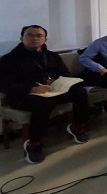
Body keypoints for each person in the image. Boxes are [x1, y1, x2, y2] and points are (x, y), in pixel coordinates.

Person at [0, 25, 91, 163]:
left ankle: (77, 126)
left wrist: (58, 81)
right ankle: (34, 143)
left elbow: (65, 74)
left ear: (45, 39)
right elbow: (5, 85)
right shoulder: (9, 59)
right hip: (23, 96)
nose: (34, 38)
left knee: (80, 93)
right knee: (44, 103)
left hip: (52, 91)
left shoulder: (52, 56)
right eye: (30, 35)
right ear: (21, 38)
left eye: (39, 36)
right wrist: (32, 89)